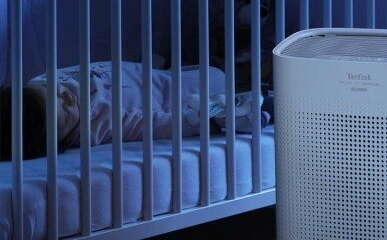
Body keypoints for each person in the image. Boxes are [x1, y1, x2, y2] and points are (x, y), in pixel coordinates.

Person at [0, 61, 269, 161]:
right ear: (61, 141)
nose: (67, 97)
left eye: (54, 92)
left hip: (150, 74)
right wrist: (195, 123)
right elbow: (145, 123)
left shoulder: (36, 85)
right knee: (216, 80)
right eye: (67, 114)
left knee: (208, 70)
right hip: (166, 95)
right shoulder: (94, 126)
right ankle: (255, 95)